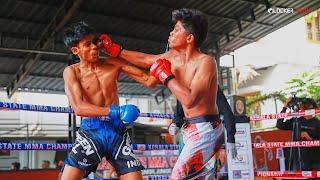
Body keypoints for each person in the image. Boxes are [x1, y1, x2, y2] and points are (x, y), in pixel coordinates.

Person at [99, 8, 237, 179]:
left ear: (189, 38)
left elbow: (189, 100)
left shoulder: (206, 62)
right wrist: (115, 50)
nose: (171, 33)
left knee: (177, 176)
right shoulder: (172, 57)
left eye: (177, 29)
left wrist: (167, 76)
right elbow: (145, 60)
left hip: (205, 128)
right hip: (188, 128)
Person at [60, 21, 157, 180]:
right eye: (87, 44)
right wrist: (117, 111)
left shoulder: (113, 64)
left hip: (117, 130)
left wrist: (168, 65)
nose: (94, 47)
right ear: (75, 50)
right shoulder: (72, 72)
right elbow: (79, 108)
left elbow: (149, 80)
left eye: (95, 42)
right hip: (91, 131)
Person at [276, 97, 320, 171]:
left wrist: (309, 138)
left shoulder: (317, 123)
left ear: (312, 107)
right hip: (299, 160)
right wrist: (285, 107)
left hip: (316, 160)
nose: (302, 107)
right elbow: (279, 125)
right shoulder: (296, 121)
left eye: (306, 106)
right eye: (302, 105)